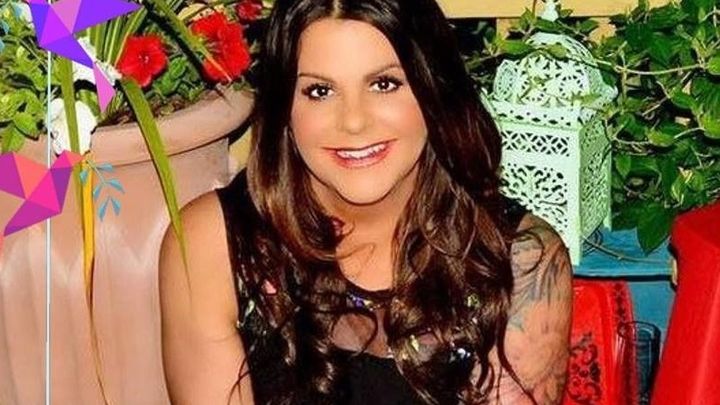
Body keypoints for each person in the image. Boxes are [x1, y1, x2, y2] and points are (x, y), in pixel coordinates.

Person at [159, 0, 573, 403]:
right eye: (319, 91)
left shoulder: (520, 260)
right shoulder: (213, 245)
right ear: (285, 109)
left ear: (432, 89)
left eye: (384, 84)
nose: (354, 121)